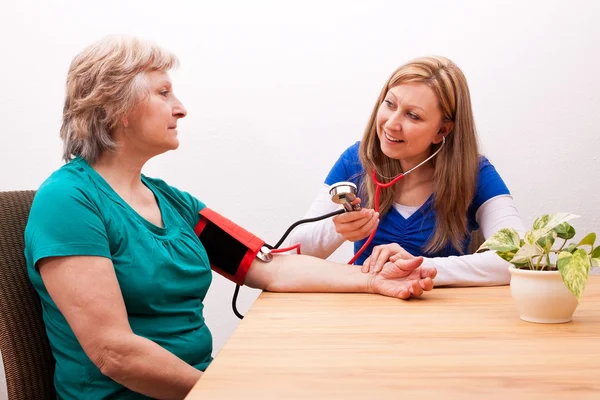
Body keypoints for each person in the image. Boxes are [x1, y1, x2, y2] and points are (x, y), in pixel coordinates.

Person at [23, 36, 437, 400]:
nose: (180, 108)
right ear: (118, 108)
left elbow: (270, 268)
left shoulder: (171, 202)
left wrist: (371, 281)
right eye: (163, 93)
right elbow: (115, 353)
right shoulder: (68, 201)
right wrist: (226, 391)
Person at [288, 56, 525, 287]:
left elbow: (520, 257)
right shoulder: (356, 161)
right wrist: (337, 229)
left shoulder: (474, 173)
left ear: (441, 130)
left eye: (413, 115)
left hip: (443, 317)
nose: (391, 123)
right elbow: (291, 255)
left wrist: (420, 268)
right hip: (363, 315)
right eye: (390, 104)